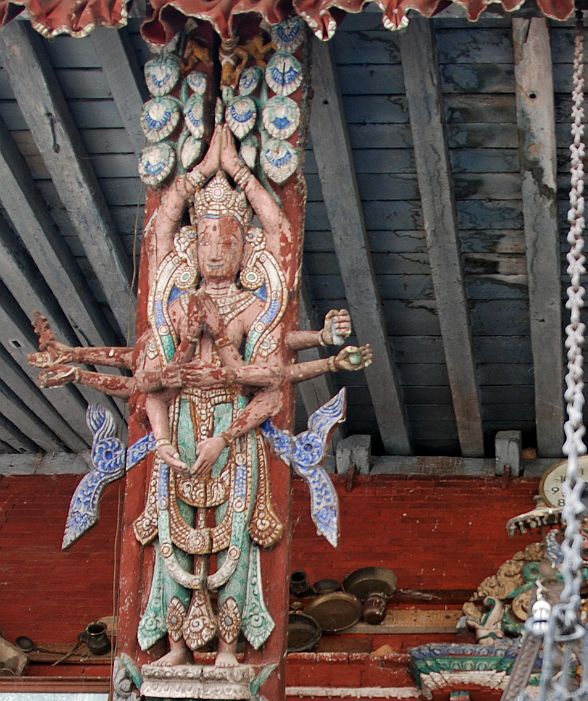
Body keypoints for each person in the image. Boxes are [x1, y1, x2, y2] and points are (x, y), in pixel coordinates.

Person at [30, 125, 372, 667]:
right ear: (193, 247)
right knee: (173, 538)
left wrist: (238, 173)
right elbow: (148, 377)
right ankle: (177, 645)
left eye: (227, 240)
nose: (215, 250)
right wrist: (156, 433)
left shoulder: (254, 310)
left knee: (234, 539)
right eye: (206, 240)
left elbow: (271, 386)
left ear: (245, 248)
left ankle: (230, 648)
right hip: (182, 429)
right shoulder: (174, 307)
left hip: (234, 436)